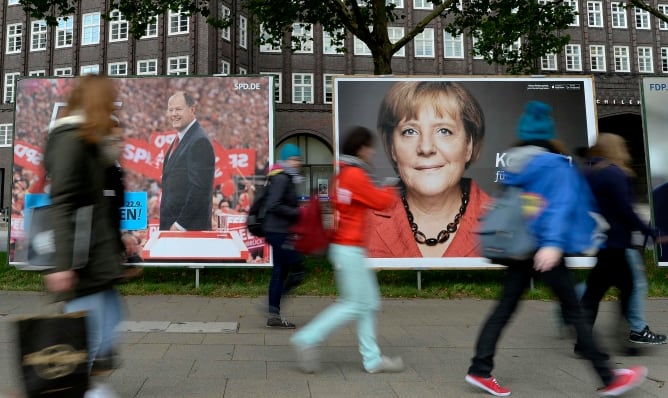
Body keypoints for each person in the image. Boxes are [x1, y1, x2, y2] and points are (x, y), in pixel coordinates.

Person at [465, 101, 647, 397]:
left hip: (519, 247)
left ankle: (479, 369)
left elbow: (527, 205)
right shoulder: (552, 164)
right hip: (542, 249)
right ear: (548, 133)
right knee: (575, 312)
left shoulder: (514, 161)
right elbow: (557, 207)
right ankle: (609, 376)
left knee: (504, 309)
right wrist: (551, 244)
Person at [290, 126, 405, 374]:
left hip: (346, 248)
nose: (372, 152)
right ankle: (308, 338)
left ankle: (372, 359)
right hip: (349, 249)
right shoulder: (355, 175)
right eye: (370, 147)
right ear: (361, 148)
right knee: (355, 303)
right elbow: (382, 202)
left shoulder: (342, 174)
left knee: (369, 303)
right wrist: (392, 186)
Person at [43, 75, 126, 396]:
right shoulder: (70, 140)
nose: (113, 105)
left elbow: (103, 202)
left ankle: (84, 384)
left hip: (97, 255)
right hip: (81, 259)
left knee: (108, 326)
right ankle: (83, 389)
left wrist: (120, 248)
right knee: (89, 339)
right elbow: (62, 202)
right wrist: (62, 264)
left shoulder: (90, 140)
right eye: (108, 99)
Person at [368, 81, 491, 258]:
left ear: (469, 145)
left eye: (443, 131)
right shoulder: (363, 222)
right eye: (410, 131)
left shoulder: (505, 221)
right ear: (392, 147)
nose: (426, 148)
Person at [576, 133, 666, 349]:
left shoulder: (590, 172)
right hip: (617, 242)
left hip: (604, 242)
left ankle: (585, 340)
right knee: (628, 288)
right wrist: (651, 232)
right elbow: (626, 210)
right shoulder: (615, 173)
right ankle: (635, 332)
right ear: (616, 149)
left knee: (595, 292)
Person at [159, 91, 215, 231]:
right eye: (170, 110)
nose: (173, 114)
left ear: (192, 110)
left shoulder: (199, 141)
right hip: (174, 228)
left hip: (186, 231)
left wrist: (180, 225)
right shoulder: (182, 139)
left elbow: (200, 189)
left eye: (178, 109)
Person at [263, 143, 305, 328]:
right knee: (297, 270)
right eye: (294, 159)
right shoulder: (282, 178)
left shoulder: (286, 177)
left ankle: (273, 312)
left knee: (281, 270)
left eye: (298, 159)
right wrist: (297, 213)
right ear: (286, 160)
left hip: (279, 230)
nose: (297, 163)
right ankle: (273, 309)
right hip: (277, 231)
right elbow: (274, 204)